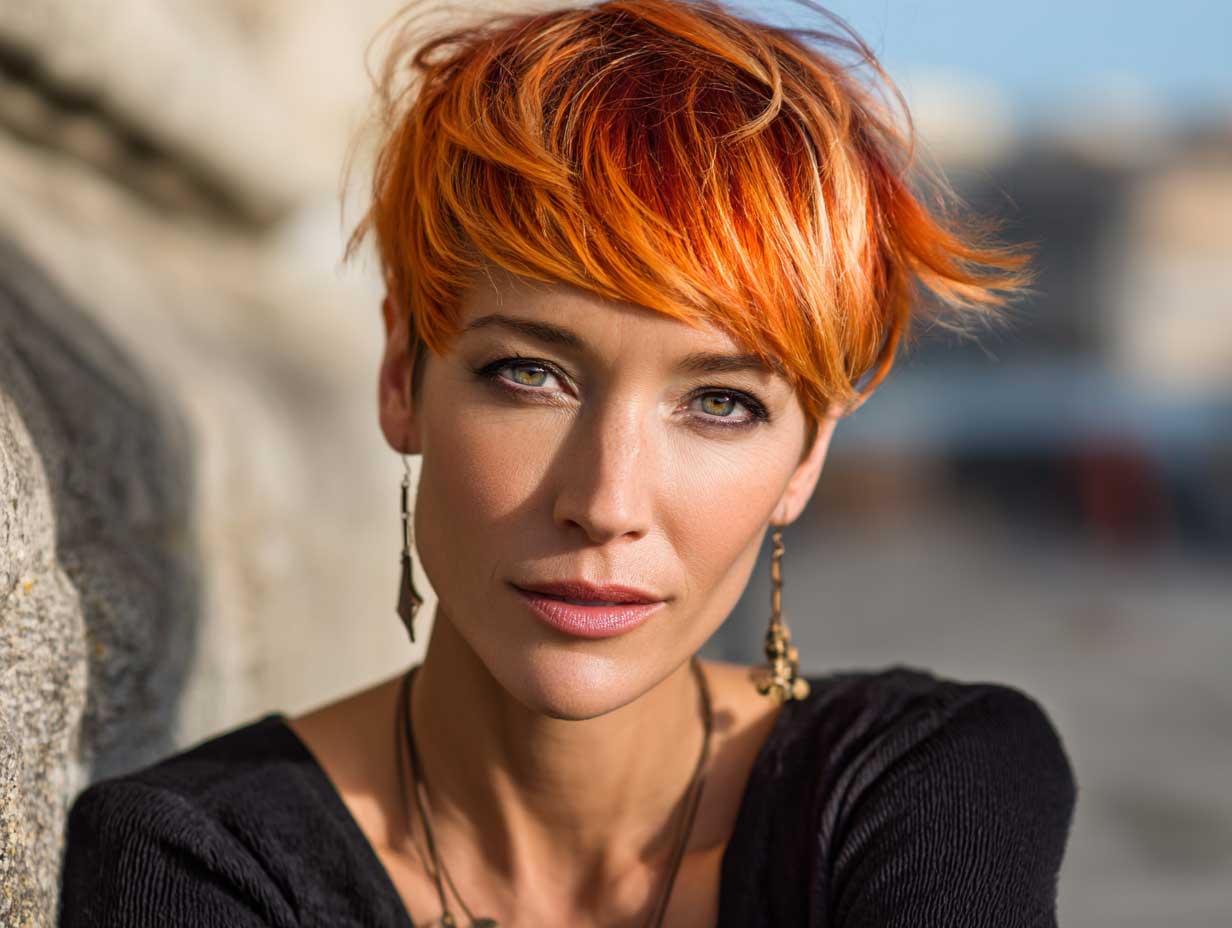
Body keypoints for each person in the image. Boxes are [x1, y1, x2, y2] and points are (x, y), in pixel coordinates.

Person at [58, 1, 1077, 925]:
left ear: (806, 456)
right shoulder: (187, 858)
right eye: (530, 375)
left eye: (720, 403)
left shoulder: (931, 790)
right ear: (402, 379)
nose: (605, 502)